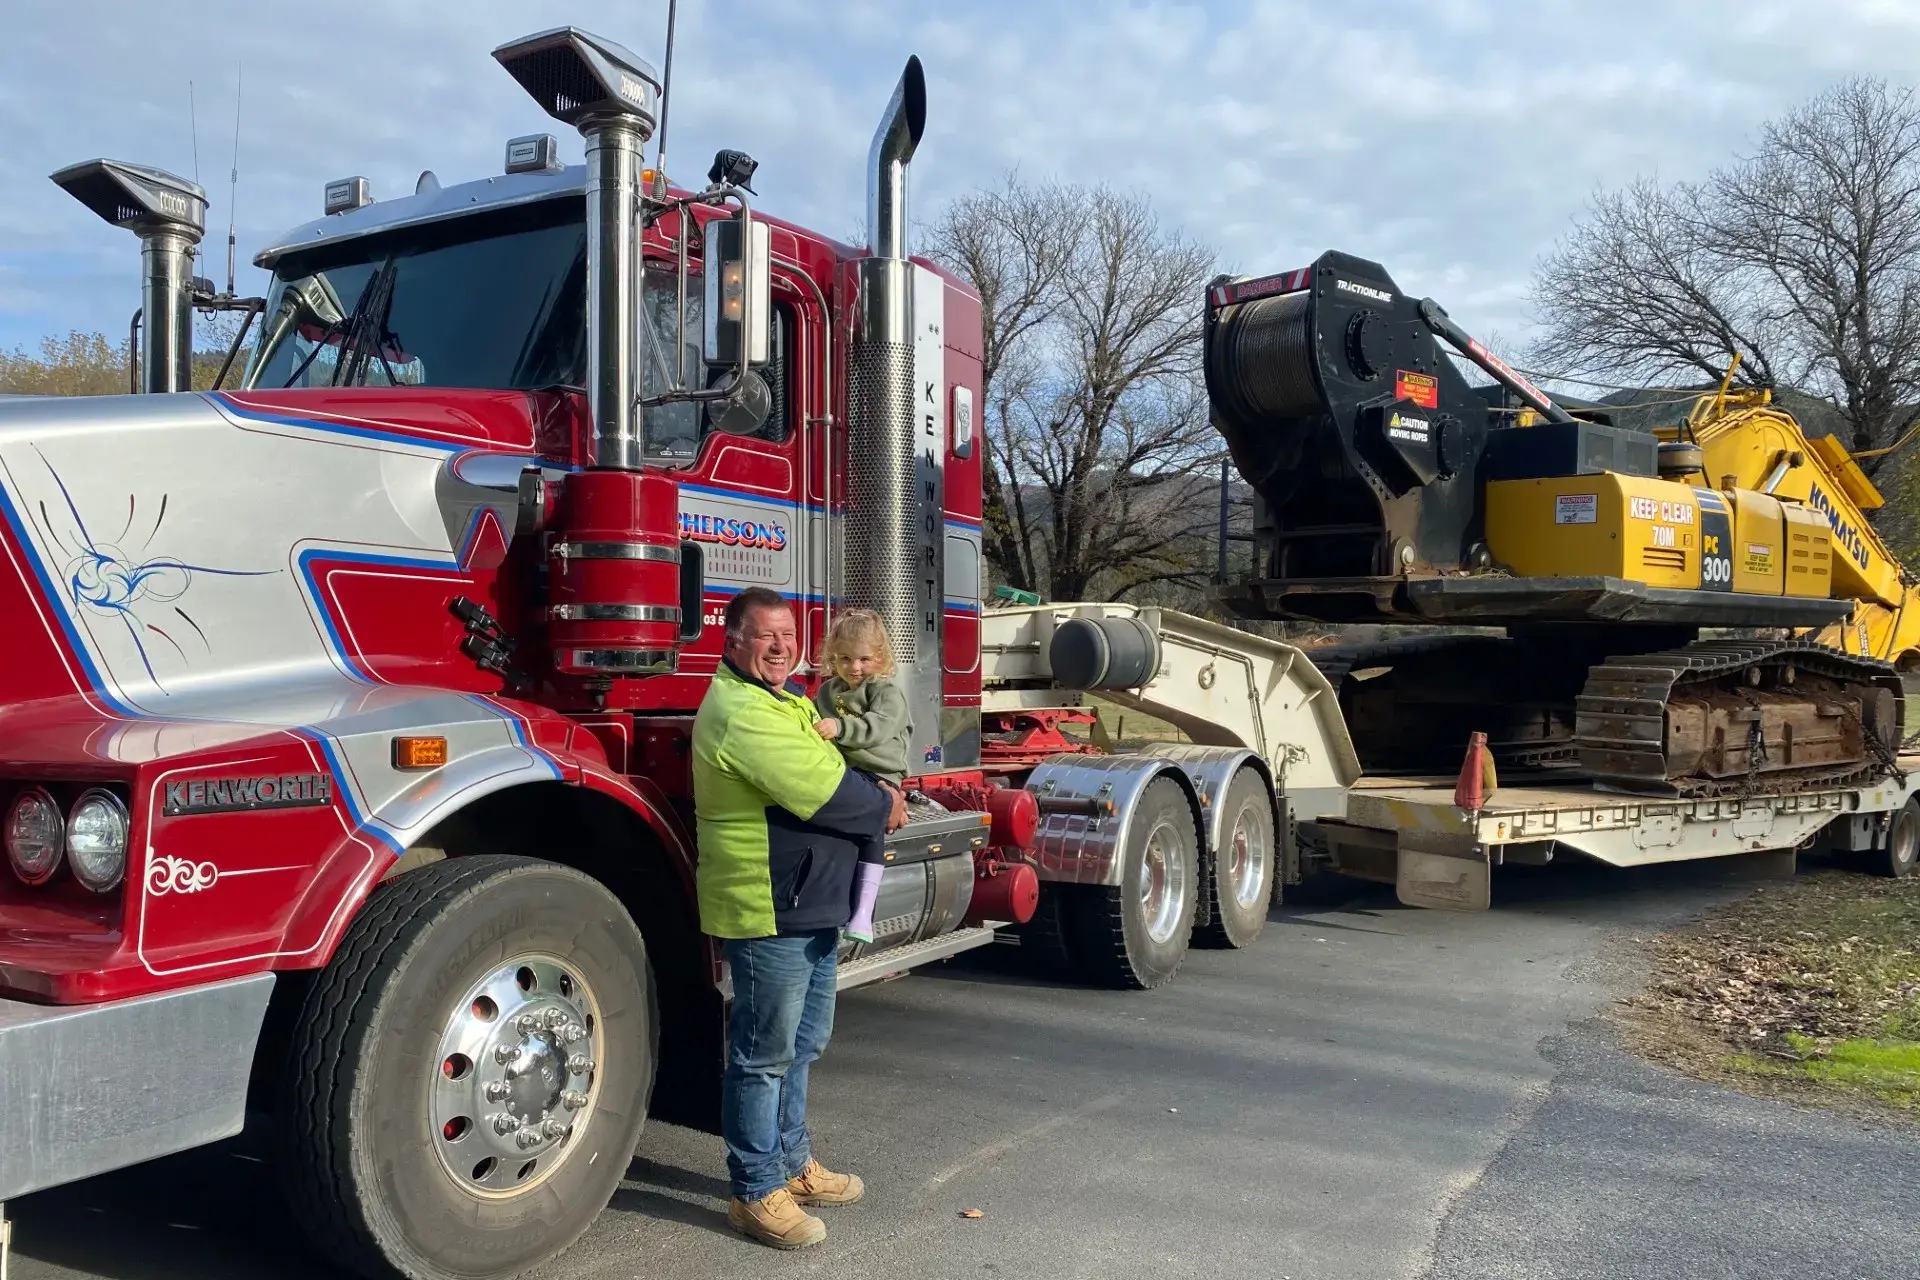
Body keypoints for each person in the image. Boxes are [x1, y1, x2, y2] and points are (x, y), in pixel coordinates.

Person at [691, 586, 909, 1250]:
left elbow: (831, 763)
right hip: (769, 906)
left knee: (802, 1046)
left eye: (788, 633)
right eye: (765, 636)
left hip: (809, 898)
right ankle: (755, 1191)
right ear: (733, 642)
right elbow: (829, 790)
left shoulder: (786, 700)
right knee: (762, 1056)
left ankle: (792, 1166)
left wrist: (866, 787)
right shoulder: (742, 712)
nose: (782, 645)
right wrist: (883, 802)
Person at [812, 609, 912, 944]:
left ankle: (863, 914)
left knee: (871, 833)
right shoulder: (828, 692)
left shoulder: (885, 692)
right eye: (845, 659)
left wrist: (839, 727)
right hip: (847, 770)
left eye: (864, 659)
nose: (855, 668)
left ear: (881, 658)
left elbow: (879, 727)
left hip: (880, 771)